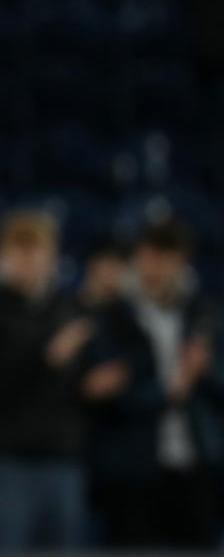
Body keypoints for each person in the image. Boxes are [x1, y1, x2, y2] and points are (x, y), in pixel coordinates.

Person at [83, 218, 224, 549]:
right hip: (133, 470)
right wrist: (170, 391)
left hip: (195, 465)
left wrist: (205, 371)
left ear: (182, 262)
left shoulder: (204, 315)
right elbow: (111, 394)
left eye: (166, 257)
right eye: (149, 256)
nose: (156, 267)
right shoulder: (112, 319)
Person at [0, 210, 90, 552]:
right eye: (20, 249)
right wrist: (48, 356)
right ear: (2, 255)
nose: (28, 259)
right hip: (6, 462)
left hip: (62, 457)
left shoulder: (67, 307)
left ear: (52, 256)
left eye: (36, 250)